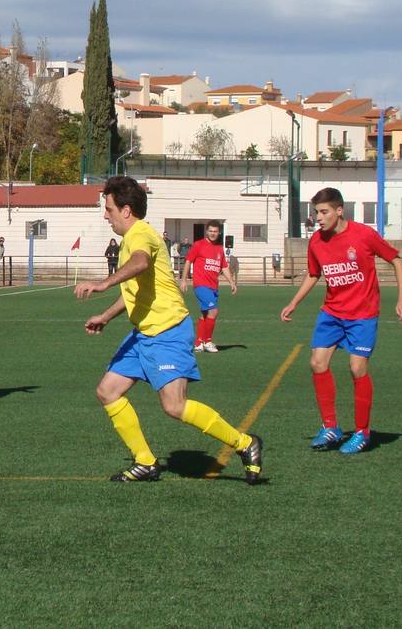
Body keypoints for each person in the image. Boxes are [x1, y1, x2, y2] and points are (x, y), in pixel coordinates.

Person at [73, 176, 263, 483]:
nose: (104, 215)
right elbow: (135, 290)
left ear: (126, 210)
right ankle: (146, 462)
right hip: (143, 334)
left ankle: (245, 443)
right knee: (108, 392)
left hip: (168, 332)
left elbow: (140, 263)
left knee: (174, 406)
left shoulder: (140, 235)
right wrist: (106, 316)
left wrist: (102, 283)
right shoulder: (130, 239)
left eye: (108, 208)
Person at [281, 187, 402, 454]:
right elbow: (313, 274)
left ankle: (362, 432)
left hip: (362, 315)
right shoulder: (316, 241)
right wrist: (294, 302)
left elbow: (397, 262)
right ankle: (330, 427)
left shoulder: (363, 235)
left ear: (339, 211)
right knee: (317, 363)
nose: (318, 217)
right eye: (316, 212)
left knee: (356, 368)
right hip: (331, 313)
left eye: (323, 212)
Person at [180, 221, 237, 353]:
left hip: (213, 286)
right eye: (210, 231)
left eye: (215, 231)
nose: (213, 233)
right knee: (213, 311)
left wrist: (231, 282)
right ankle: (208, 341)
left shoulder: (219, 248)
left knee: (205, 313)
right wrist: (183, 280)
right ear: (207, 231)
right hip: (201, 285)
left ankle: (199, 342)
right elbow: (188, 261)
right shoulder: (198, 245)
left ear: (219, 232)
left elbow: (224, 266)